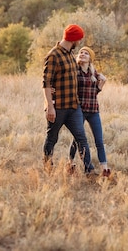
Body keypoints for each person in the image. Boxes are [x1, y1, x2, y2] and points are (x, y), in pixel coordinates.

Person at [42, 24, 95, 175]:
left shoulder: (70, 55)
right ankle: (48, 168)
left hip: (73, 106)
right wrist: (49, 107)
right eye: (79, 39)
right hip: (57, 107)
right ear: (74, 39)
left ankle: (89, 171)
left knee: (81, 138)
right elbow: (45, 82)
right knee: (52, 138)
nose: (79, 43)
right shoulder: (53, 55)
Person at [69, 46, 111, 177]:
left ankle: (105, 169)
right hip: (79, 110)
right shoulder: (74, 70)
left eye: (86, 53)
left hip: (93, 110)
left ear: (90, 58)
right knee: (78, 139)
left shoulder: (94, 73)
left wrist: (102, 83)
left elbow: (94, 92)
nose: (82, 54)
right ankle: (70, 163)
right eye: (81, 52)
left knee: (99, 140)